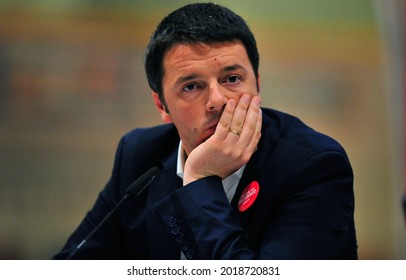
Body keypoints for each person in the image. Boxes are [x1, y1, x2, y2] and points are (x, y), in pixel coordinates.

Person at [53, 2, 357, 260]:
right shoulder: (140, 157)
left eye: (232, 79)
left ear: (258, 84)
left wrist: (199, 180)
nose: (217, 101)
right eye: (192, 86)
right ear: (162, 104)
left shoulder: (313, 166)